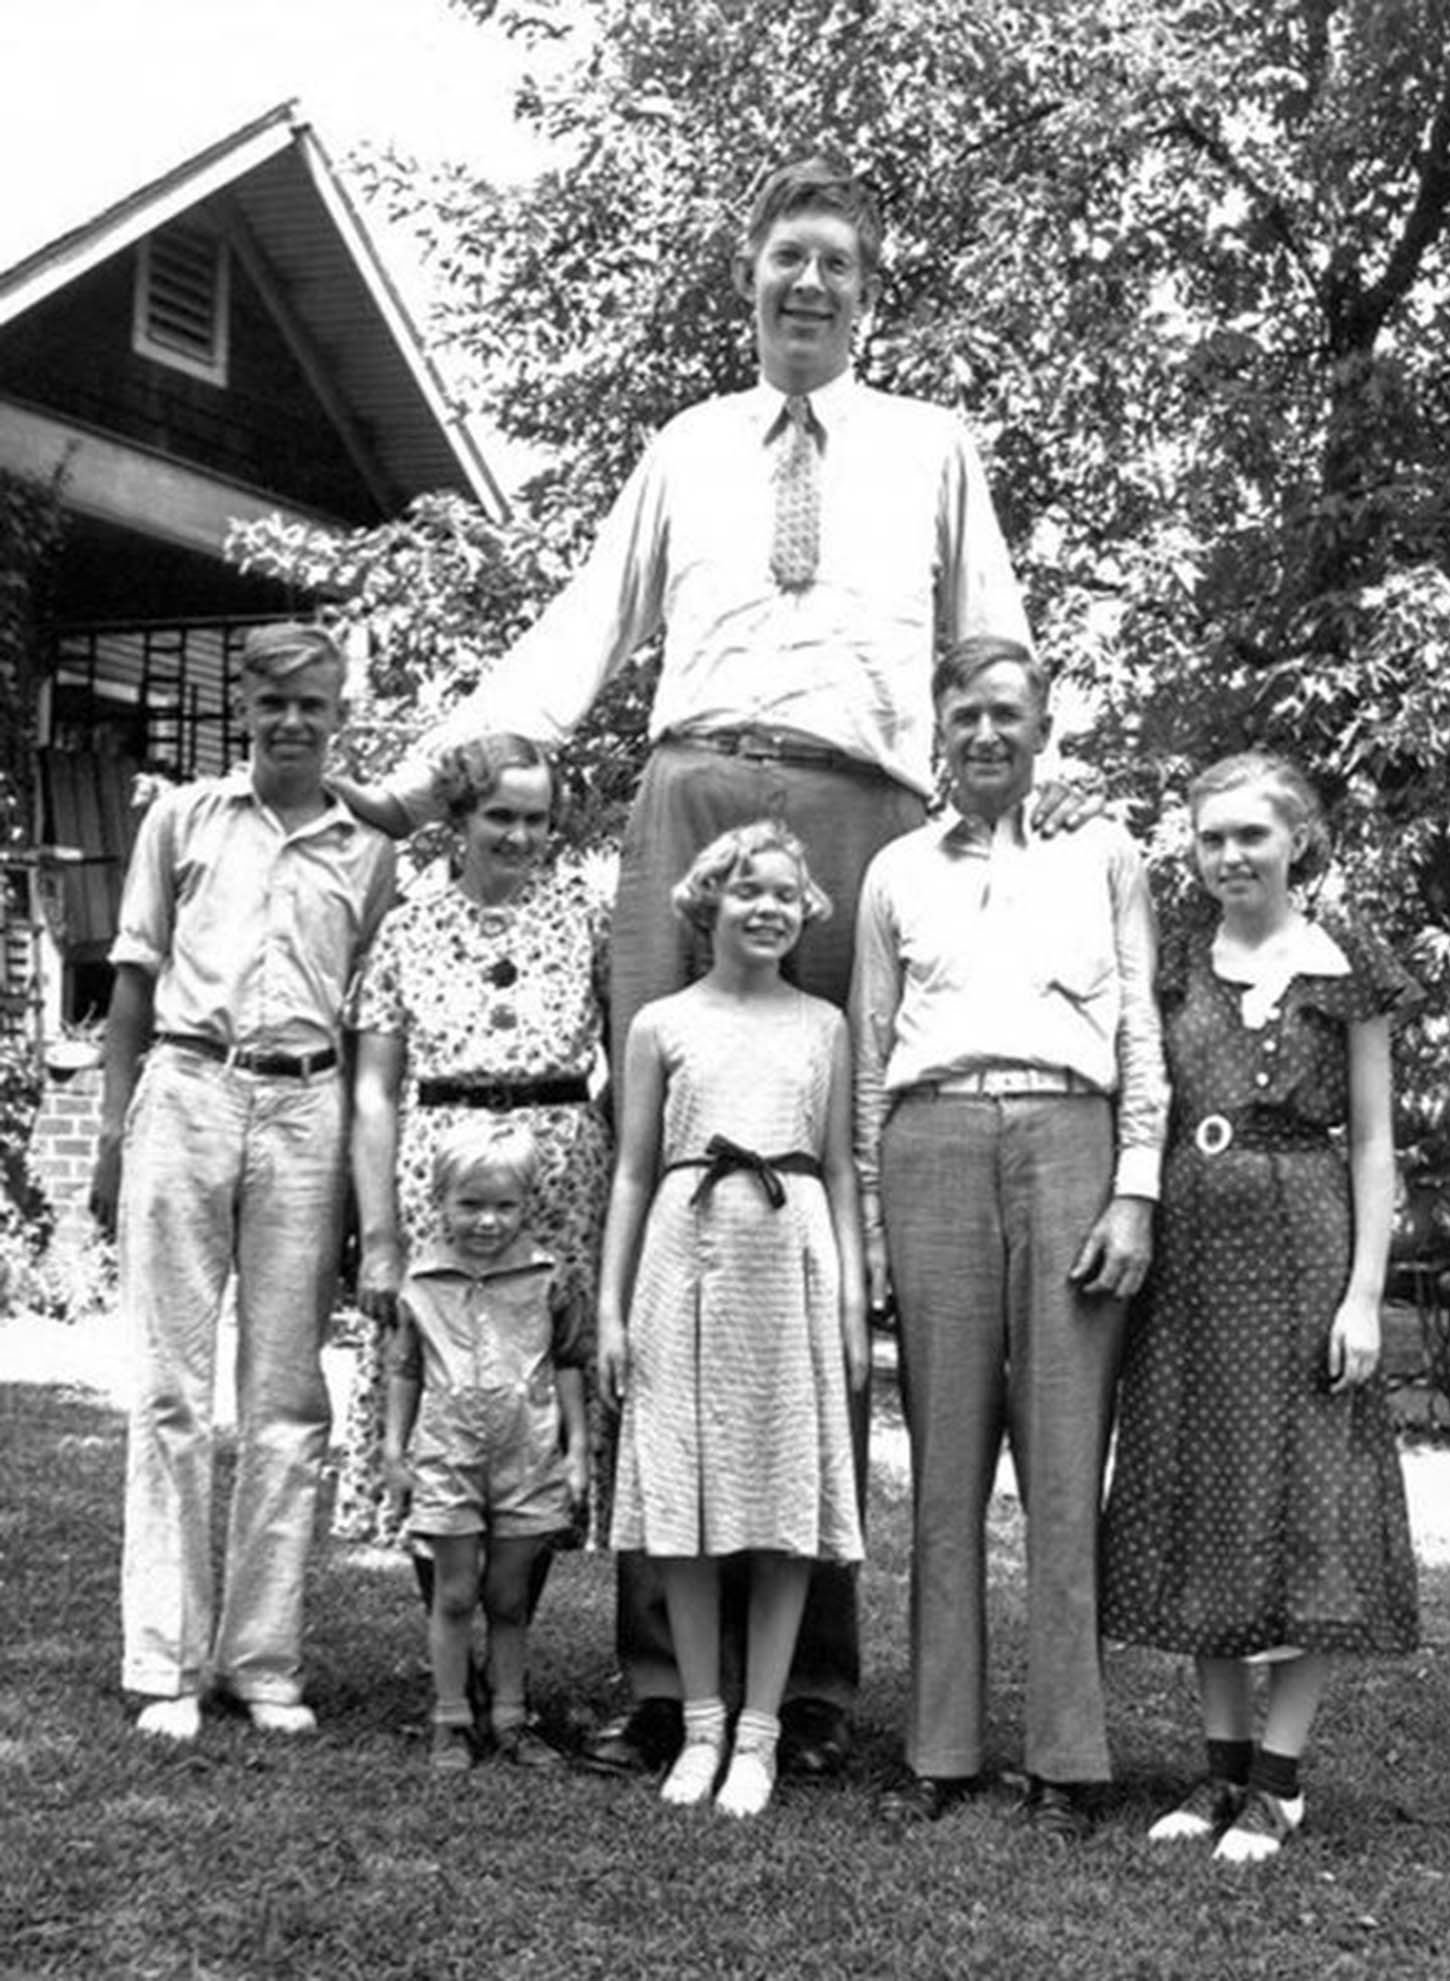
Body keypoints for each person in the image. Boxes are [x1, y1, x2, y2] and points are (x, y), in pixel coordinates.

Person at [338, 155, 1054, 1778]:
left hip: (863, 802)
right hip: (691, 788)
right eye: (782, 262)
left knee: (822, 1201)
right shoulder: (685, 448)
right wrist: (432, 769)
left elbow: (995, 652)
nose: (806, 287)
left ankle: (808, 1688)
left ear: (871, 291)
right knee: (665, 1197)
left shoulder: (934, 452)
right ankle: (667, 1678)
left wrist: (1025, 843)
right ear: (753, 283)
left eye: (834, 266)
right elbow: (579, 632)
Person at [850, 635, 1167, 1836]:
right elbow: (872, 1053)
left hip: (1070, 1138)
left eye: (1006, 715)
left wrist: (1133, 1185)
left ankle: (1069, 1758)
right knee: (942, 1461)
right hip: (931, 1142)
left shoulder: (1103, 852)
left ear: (1043, 729)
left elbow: (1139, 1028)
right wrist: (876, 1226)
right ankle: (940, 1749)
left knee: (1061, 1456)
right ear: (938, 731)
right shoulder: (894, 871)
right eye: (963, 715)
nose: (985, 734)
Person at [1100, 751, 1420, 1864]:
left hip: (1307, 1249)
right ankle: (1218, 1768)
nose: (1228, 855)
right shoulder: (1176, 951)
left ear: (1300, 841)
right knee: (1203, 1494)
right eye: (1208, 837)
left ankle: (1279, 1783)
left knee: (1305, 1504)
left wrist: (1364, 1294)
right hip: (1190, 1254)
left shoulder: (1347, 961)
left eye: (1250, 834)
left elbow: (1376, 1137)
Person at [90, 623, 396, 1740]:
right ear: (244, 710)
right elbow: (133, 978)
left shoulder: (367, 847)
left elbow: (372, 1027)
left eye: (313, 704)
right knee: (170, 1385)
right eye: (273, 704)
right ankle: (165, 1660)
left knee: (286, 1395)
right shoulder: (182, 818)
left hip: (307, 1103)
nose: (293, 722)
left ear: (338, 714)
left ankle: (262, 1659)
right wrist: (118, 1135)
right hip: (188, 1085)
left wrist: (372, 1188)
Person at [597, 822, 869, 1817]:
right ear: (707, 901)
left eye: (786, 894)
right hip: (684, 1259)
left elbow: (838, 1169)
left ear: (805, 915)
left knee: (781, 1504)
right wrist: (613, 1305)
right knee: (686, 1500)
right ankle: (700, 1721)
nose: (767, 907)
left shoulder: (823, 1024)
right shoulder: (661, 1023)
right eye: (747, 889)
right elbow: (631, 1170)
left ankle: (759, 1732)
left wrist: (848, 1298)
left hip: (788, 1265)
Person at [337, 734, 610, 1559]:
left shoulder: (583, 919)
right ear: (458, 817)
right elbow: (374, 1090)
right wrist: (380, 1238)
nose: (520, 837)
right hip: (439, 1175)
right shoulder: (408, 928)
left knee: (537, 1379)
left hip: (561, 1182)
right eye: (500, 816)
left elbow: (633, 1057)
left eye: (537, 819)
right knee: (442, 1380)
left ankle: (513, 1642)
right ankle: (453, 1633)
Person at [384, 1120, 589, 1773]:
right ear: (440, 1198)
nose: (488, 1221)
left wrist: (577, 1446)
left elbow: (567, 1363)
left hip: (527, 1454)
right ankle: (450, 1717)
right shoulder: (420, 1284)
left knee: (507, 1595)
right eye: (470, 1204)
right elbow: (406, 1370)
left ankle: (510, 1715)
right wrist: (394, 1450)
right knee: (453, 1591)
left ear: (529, 1202)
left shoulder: (549, 1279)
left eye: (505, 1205)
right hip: (448, 1457)